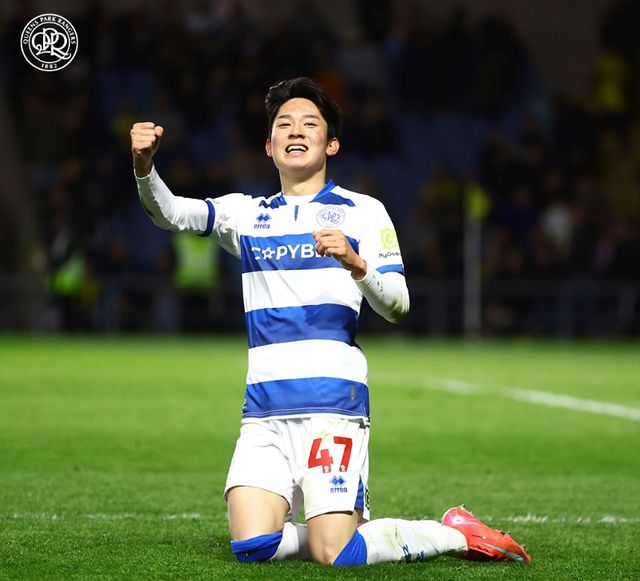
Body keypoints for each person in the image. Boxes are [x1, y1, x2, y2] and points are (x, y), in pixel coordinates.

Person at [130, 77, 531, 566]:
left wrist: (357, 263)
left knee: (335, 554)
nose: (296, 131)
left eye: (309, 123)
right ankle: (341, 526)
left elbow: (398, 305)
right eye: (284, 124)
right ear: (269, 146)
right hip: (264, 413)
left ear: (331, 144)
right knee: (253, 547)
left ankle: (452, 533)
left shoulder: (363, 212)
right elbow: (170, 213)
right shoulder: (246, 216)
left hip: (332, 407)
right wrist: (145, 167)